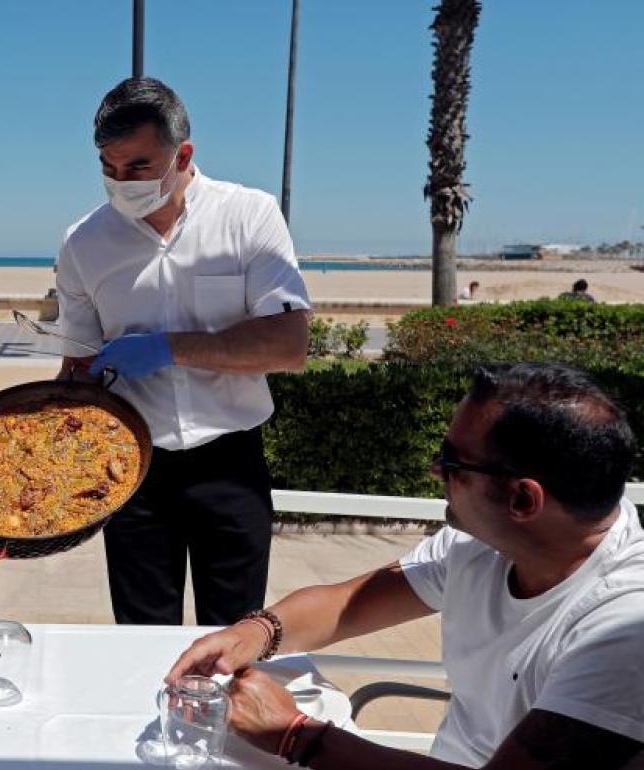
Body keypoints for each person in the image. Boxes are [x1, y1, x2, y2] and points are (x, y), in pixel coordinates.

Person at [167, 363, 644, 769]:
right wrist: (254, 633)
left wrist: (295, 735)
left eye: (451, 462)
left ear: (523, 498)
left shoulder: (624, 628)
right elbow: (348, 605)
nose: (434, 471)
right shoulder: (478, 545)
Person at [55, 77, 311, 626]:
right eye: (108, 167)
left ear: (183, 154)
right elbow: (77, 365)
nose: (121, 182)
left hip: (230, 462)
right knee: (140, 639)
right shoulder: (83, 243)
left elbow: (290, 345)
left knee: (235, 637)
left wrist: (171, 348)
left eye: (138, 167)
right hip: (132, 466)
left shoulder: (249, 216)